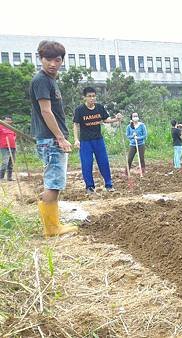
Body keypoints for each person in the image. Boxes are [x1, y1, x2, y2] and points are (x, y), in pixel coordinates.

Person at [30, 41, 78, 237]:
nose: (52, 63)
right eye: (47, 59)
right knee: (54, 185)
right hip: (51, 140)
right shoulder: (42, 80)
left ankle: (52, 224)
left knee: (52, 182)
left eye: (57, 59)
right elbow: (46, 111)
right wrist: (60, 138)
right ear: (41, 59)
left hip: (49, 139)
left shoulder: (50, 80)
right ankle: (52, 229)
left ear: (62, 61)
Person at [73, 87, 122, 194]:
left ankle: (109, 185)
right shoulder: (79, 110)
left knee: (104, 162)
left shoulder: (99, 107)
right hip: (85, 142)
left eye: (94, 96)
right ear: (84, 97)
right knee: (87, 164)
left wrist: (116, 119)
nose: (92, 98)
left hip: (98, 140)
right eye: (89, 96)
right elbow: (76, 125)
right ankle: (89, 187)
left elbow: (106, 120)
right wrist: (76, 139)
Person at [0, 115, 17, 181]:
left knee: (11, 162)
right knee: (5, 162)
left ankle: (9, 177)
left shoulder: (12, 128)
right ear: (3, 121)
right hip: (4, 147)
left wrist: (14, 140)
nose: (8, 121)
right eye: (6, 120)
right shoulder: (1, 127)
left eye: (9, 120)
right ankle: (1, 177)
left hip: (13, 147)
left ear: (11, 121)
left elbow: (15, 136)